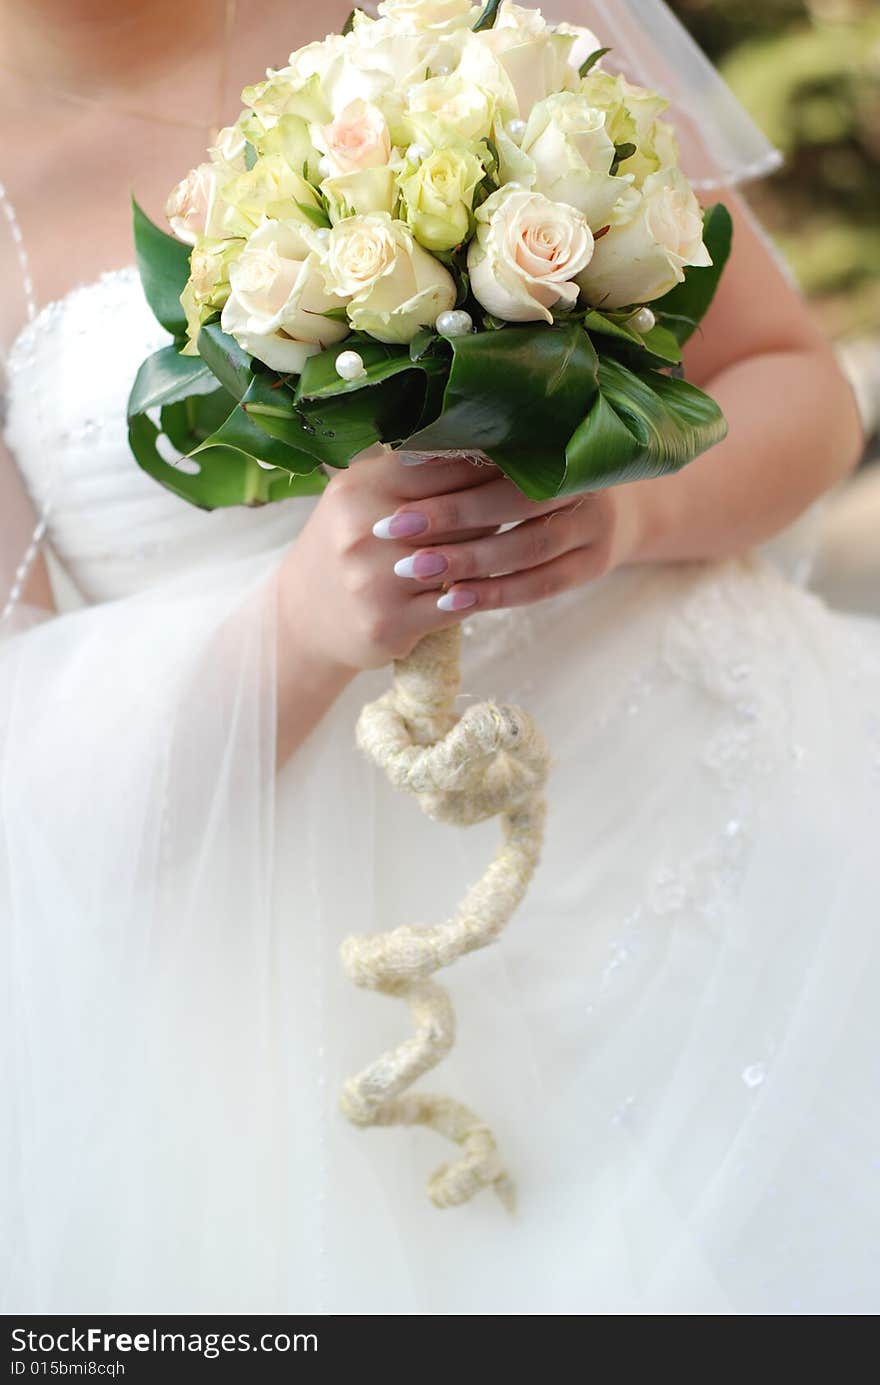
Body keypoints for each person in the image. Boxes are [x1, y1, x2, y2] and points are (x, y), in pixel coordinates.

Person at [0, 0, 876, 1314]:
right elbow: (38, 806)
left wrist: (622, 504)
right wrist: (297, 625)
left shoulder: (480, 22)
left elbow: (795, 386)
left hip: (749, 847)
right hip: (327, 1017)